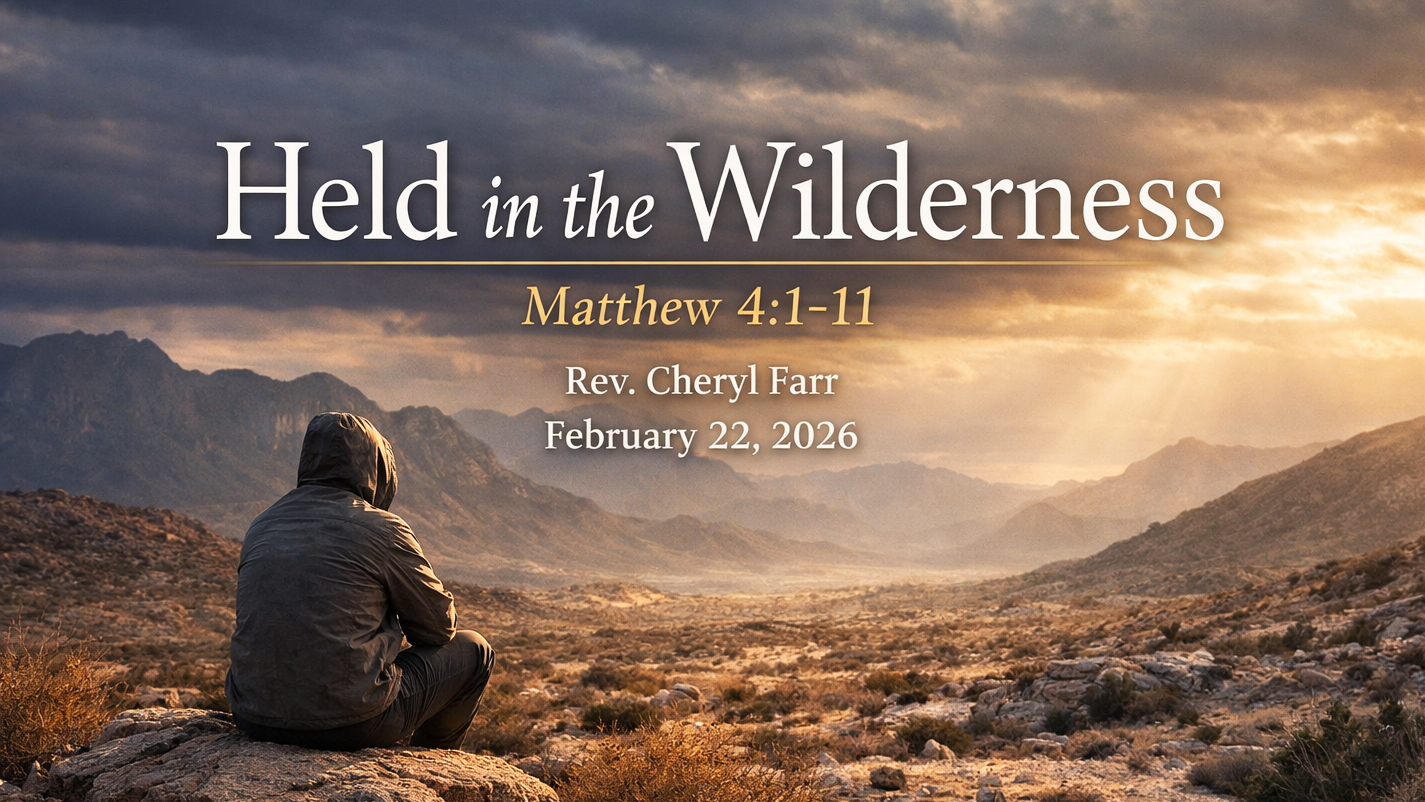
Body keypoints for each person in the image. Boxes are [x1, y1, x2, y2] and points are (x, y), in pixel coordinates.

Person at [226, 411, 494, 750]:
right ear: (376, 467)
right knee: (475, 650)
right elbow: (437, 630)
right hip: (353, 723)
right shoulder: (382, 528)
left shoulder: (261, 525)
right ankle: (433, 760)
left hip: (253, 716)